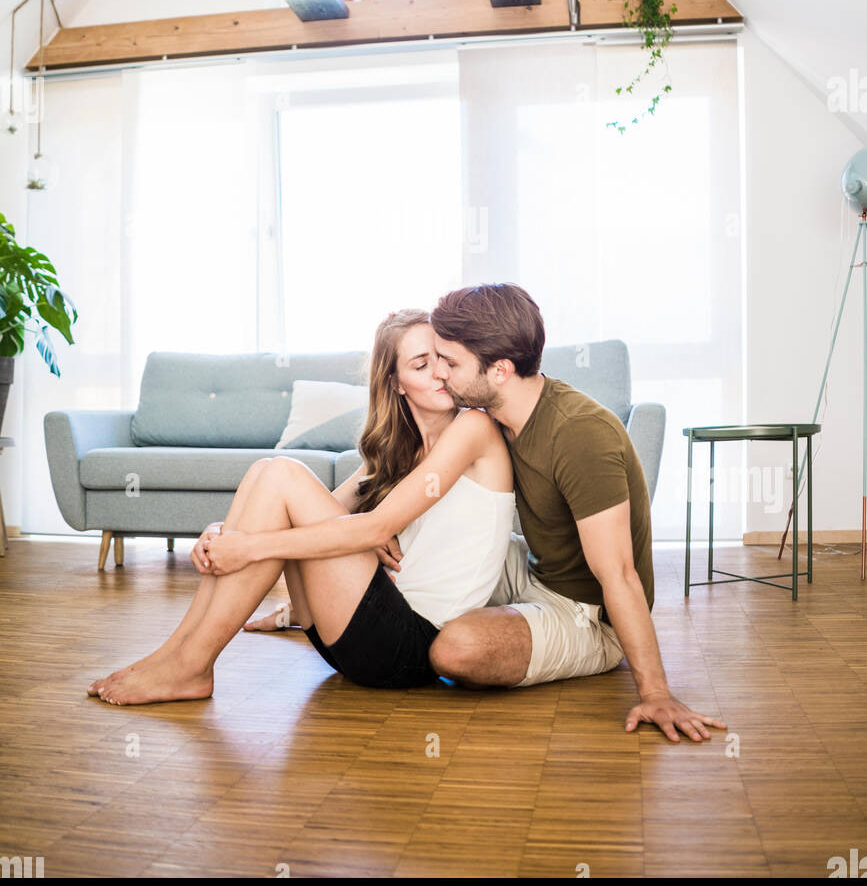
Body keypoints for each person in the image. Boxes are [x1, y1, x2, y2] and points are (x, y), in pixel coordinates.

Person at [86, 310, 515, 706]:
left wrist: (249, 548)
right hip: (350, 638)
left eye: (443, 359)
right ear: (396, 383)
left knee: (283, 475)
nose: (440, 374)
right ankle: (175, 657)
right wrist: (222, 532)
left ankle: (190, 667)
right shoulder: (397, 452)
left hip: (409, 645)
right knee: (268, 471)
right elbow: (324, 514)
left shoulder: (473, 427)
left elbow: (371, 527)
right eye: (421, 365)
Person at [425, 283, 728, 746]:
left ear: (500, 370)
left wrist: (656, 692)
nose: (439, 374)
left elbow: (620, 574)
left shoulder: (580, 433)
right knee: (413, 547)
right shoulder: (490, 417)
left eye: (450, 362)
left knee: (457, 648)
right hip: (532, 568)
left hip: (587, 613)